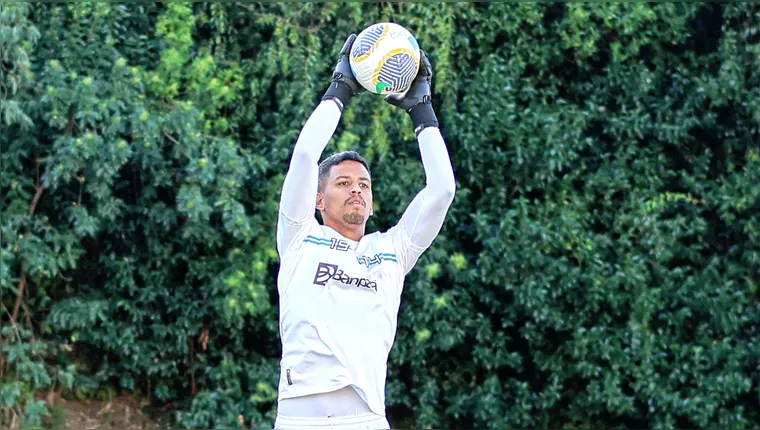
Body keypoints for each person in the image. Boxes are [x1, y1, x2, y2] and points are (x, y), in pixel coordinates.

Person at [273, 33, 456, 430]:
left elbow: (442, 190)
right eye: (342, 183)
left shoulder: (393, 250)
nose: (356, 188)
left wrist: (421, 111)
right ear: (318, 200)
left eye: (363, 184)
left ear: (372, 203)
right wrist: (340, 88)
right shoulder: (299, 238)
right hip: (298, 420)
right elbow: (305, 156)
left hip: (367, 419)